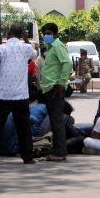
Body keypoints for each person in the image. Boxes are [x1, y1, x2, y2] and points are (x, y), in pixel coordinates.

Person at [0, 23, 37, 165]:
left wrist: (3, 73)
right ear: (21, 35)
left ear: (8, 34)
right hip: (21, 95)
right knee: (24, 127)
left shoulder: (0, 48)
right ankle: (28, 157)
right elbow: (35, 54)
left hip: (3, 94)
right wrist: (26, 40)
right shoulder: (26, 48)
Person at [38, 22, 72, 162]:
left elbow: (67, 63)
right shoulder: (51, 47)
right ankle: (58, 149)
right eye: (45, 34)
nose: (46, 36)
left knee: (57, 120)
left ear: (56, 34)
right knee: (54, 120)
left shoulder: (58, 46)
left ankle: (60, 152)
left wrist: (61, 83)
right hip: (49, 88)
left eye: (49, 33)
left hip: (54, 88)